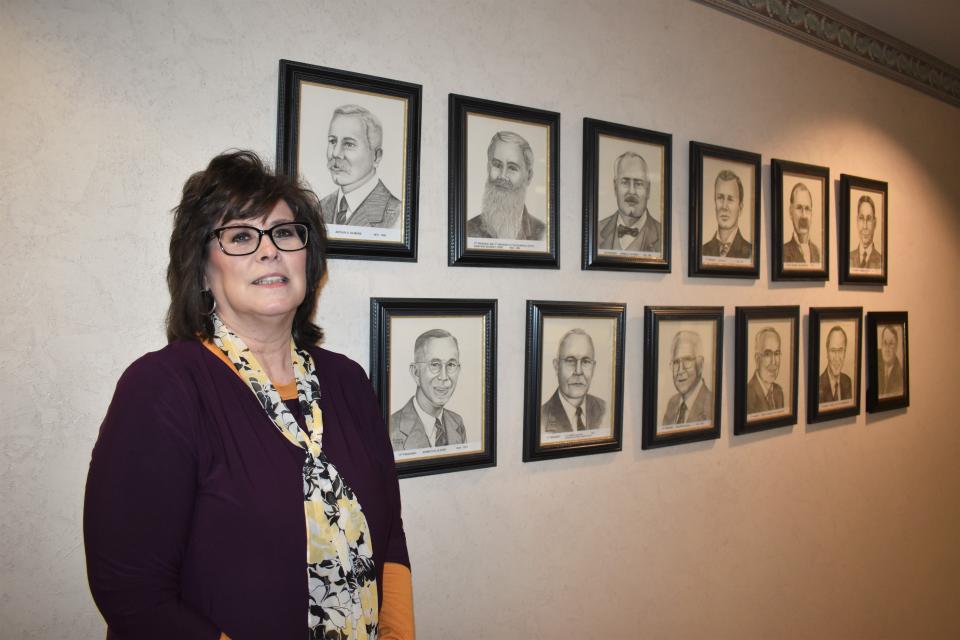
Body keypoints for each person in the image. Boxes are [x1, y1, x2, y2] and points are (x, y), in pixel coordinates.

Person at [84, 151, 414, 639]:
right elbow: (133, 594)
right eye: (240, 236)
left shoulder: (349, 383)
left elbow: (388, 537)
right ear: (201, 271)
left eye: (284, 233)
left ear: (309, 257)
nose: (270, 251)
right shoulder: (162, 389)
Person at [320, 104, 402, 228]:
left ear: (376, 157)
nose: (335, 153)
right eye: (332, 141)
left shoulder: (397, 215)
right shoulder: (318, 208)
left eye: (349, 144)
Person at [390, 329, 466, 450]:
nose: (444, 377)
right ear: (415, 373)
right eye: (435, 364)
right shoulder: (391, 428)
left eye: (451, 365)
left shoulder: (457, 422)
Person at [465, 131, 545, 240]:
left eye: (512, 168)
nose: (502, 176)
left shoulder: (542, 233)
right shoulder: (468, 230)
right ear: (488, 168)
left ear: (529, 177)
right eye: (497, 165)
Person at [541, 329, 606, 432]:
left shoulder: (605, 410)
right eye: (570, 361)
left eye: (586, 361)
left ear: (593, 367)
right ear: (557, 366)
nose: (578, 371)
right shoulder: (541, 418)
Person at [597, 151, 661, 253]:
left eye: (638, 184)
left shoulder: (663, 235)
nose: (631, 191)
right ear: (615, 187)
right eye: (625, 182)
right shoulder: (596, 231)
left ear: (648, 190)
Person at [662, 330, 714, 426]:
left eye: (687, 360)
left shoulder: (711, 405)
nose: (680, 370)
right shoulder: (672, 404)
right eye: (676, 362)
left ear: (700, 364)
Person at [702, 169, 753, 259]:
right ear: (715, 203)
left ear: (740, 208)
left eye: (730, 199)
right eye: (720, 198)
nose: (724, 206)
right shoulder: (702, 251)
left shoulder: (750, 252)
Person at [746, 327, 785, 414]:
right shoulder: (747, 395)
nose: (774, 362)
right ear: (757, 359)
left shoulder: (778, 392)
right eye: (767, 354)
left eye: (777, 353)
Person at [782, 182, 821, 264]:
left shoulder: (818, 253)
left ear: (812, 214)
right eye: (799, 208)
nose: (804, 216)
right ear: (790, 212)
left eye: (807, 209)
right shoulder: (783, 252)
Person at [819, 325, 852, 403]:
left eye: (840, 350)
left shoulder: (847, 381)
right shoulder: (818, 384)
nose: (837, 358)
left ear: (845, 352)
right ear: (827, 352)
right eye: (833, 350)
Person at [849, 194, 882, 269]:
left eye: (869, 219)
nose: (865, 226)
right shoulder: (848, 258)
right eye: (861, 218)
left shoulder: (881, 261)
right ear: (857, 221)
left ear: (875, 223)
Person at [878, 325, 904, 396]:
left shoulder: (899, 374)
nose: (887, 349)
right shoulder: (875, 358)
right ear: (881, 344)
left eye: (891, 344)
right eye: (885, 343)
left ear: (896, 347)